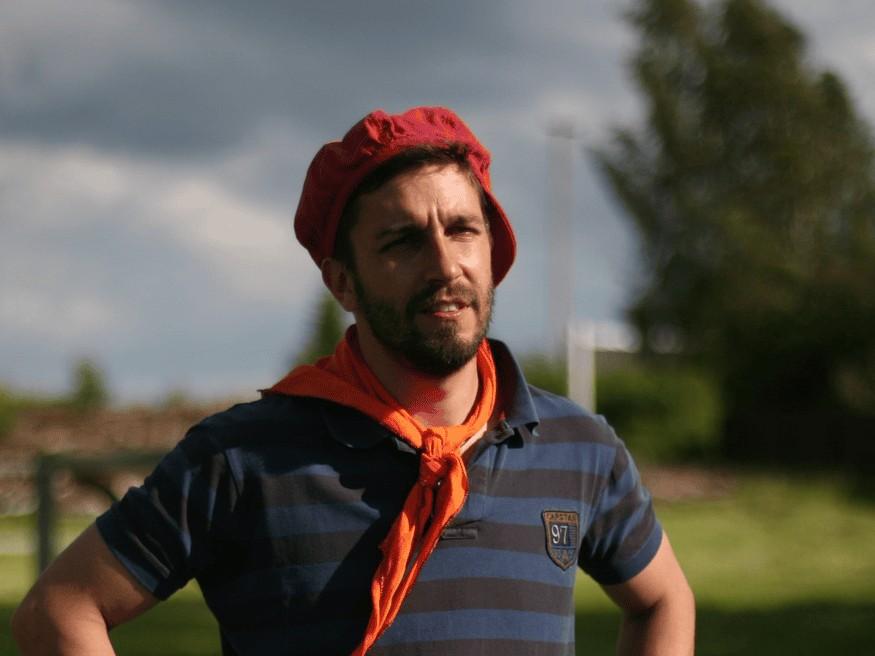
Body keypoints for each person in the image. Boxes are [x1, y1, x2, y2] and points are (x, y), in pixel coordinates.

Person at [12, 106, 695, 655]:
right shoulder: (244, 458)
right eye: (402, 241)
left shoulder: (578, 447)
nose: (444, 264)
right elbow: (59, 611)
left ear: (493, 251)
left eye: (463, 230)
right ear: (343, 282)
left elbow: (664, 600)